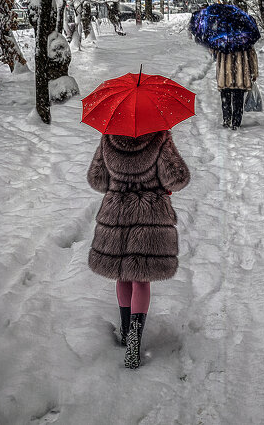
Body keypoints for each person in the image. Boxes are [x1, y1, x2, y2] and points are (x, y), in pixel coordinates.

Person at [86, 130, 190, 369]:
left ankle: (124, 332)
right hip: (149, 214)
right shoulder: (160, 136)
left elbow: (97, 179)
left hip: (117, 213)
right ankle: (134, 341)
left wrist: (120, 180)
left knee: (122, 273)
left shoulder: (109, 136)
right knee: (141, 278)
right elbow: (177, 178)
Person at [216, 46, 258, 129]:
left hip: (225, 76)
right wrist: (254, 72)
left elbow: (216, 56)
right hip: (240, 76)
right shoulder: (245, 38)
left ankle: (227, 119)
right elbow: (252, 56)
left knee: (225, 98)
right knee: (238, 99)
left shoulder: (222, 38)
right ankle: (236, 122)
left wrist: (219, 75)